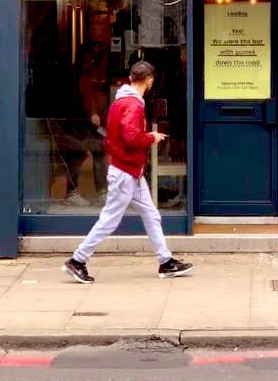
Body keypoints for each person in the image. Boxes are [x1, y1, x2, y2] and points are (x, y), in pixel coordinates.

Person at [64, 61, 193, 283]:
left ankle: (166, 261)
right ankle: (78, 260)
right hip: (125, 171)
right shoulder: (134, 105)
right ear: (150, 81)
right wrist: (152, 137)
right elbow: (132, 138)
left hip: (129, 170)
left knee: (151, 215)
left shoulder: (120, 102)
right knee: (109, 220)